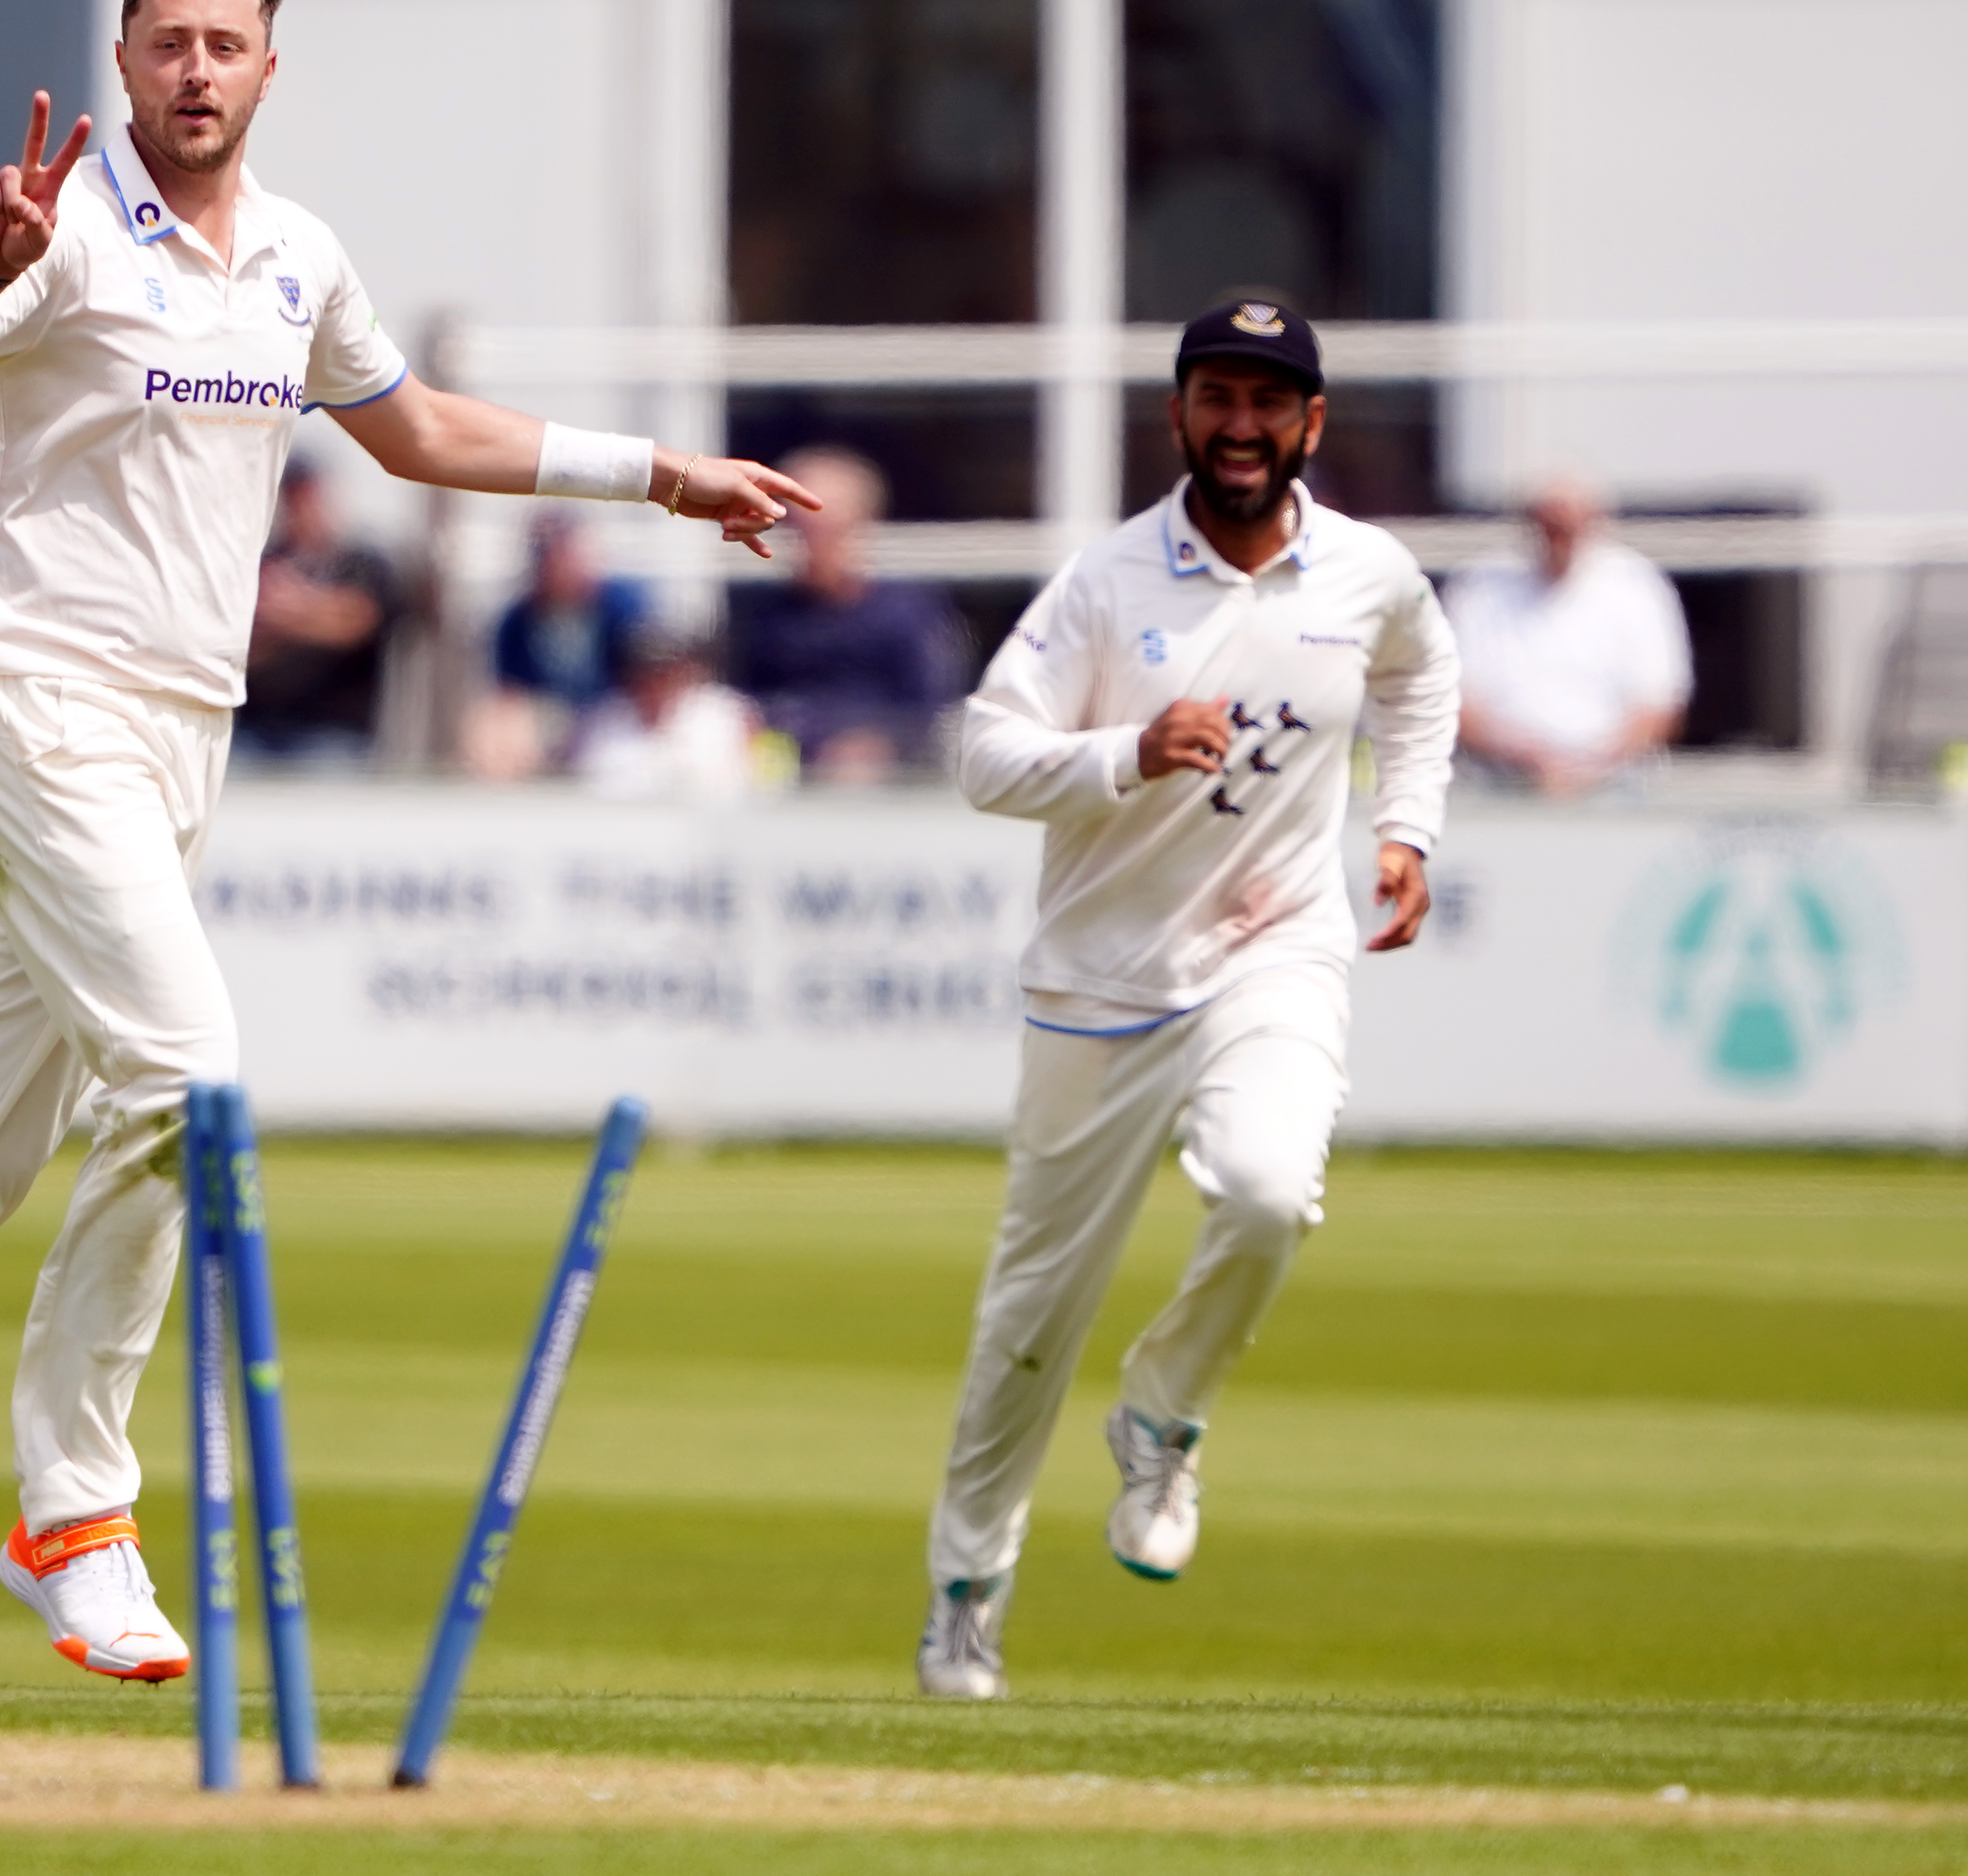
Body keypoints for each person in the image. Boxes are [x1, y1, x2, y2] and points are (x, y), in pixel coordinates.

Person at [0, 0, 816, 1693]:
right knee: (187, 1076)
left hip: (181, 734)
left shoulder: (296, 257)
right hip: (27, 698)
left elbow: (413, 435)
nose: (191, 69)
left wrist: (658, 472)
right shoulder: (57, 218)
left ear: (263, 67)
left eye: (222, 43)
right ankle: (72, 1512)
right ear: (122, 59)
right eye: (163, 40)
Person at [916, 297, 1457, 1702]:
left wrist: (1406, 826)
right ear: (1175, 413)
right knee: (1030, 1312)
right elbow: (981, 750)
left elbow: (1419, 673)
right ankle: (965, 1592)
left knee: (1270, 1189)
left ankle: (1162, 1412)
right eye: (1215, 395)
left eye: (1267, 402)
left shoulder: (1365, 571)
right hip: (1099, 980)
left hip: (1274, 945)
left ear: (1309, 425)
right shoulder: (1106, 582)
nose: (1239, 424)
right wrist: (1124, 750)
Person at [726, 445, 965, 781]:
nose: (806, 545)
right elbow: (746, 703)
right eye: (795, 530)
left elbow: (930, 712)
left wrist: (877, 746)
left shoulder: (908, 616)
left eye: (820, 530)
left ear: (860, 527)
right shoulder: (766, 617)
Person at [1444, 477, 1693, 796]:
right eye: (1550, 526)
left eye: (1570, 527)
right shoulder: (1479, 587)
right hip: (1500, 780)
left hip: (1615, 784)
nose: (1560, 540)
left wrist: (1588, 767)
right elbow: (1455, 701)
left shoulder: (1637, 587)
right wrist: (1529, 758)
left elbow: (1660, 705)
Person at [236, 460, 400, 763]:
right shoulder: (262, 560)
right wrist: (310, 614)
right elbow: (236, 646)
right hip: (255, 729)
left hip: (333, 733)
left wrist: (286, 613)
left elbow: (356, 624)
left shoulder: (361, 562)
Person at [471, 508, 646, 775]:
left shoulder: (623, 604)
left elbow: (643, 678)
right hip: (549, 714)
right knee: (495, 728)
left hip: (615, 711)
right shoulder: (518, 620)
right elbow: (509, 692)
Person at [569, 620, 756, 803]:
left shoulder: (725, 716)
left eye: (667, 672)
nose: (655, 683)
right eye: (645, 672)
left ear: (687, 670)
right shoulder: (600, 723)